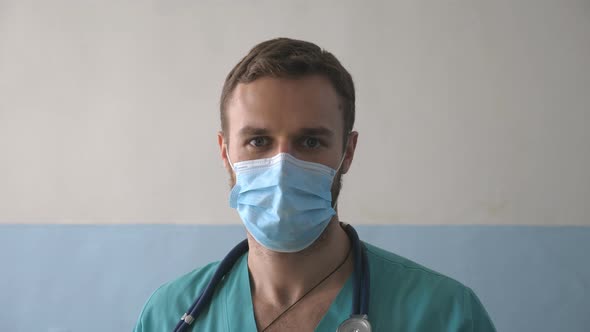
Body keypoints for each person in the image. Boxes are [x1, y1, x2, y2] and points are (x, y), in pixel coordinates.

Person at [133, 37, 496, 332]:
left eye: (310, 142)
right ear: (225, 153)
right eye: (258, 141)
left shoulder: (443, 315)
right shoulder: (168, 315)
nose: (282, 167)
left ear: (348, 151)